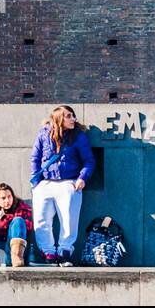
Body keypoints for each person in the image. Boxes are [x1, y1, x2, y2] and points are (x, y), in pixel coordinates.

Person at [30, 105, 95, 265]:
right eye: (69, 116)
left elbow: (89, 160)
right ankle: (48, 254)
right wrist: (36, 183)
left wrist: (82, 178)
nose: (73, 119)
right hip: (45, 183)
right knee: (41, 220)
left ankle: (65, 252)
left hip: (69, 182)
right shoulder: (43, 134)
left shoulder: (78, 136)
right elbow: (35, 159)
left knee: (68, 219)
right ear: (59, 118)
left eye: (73, 115)